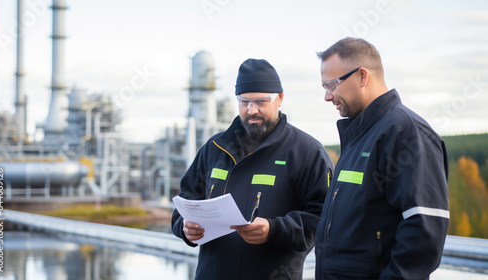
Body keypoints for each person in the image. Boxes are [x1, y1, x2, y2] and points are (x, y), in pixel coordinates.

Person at [172, 58, 334, 280]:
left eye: (260, 101)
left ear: (280, 99)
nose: (252, 110)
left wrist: (275, 229)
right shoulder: (215, 148)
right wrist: (185, 228)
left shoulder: (307, 152)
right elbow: (185, 202)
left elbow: (322, 218)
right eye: (244, 102)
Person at [314, 37, 449, 280]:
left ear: (362, 76)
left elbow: (424, 232)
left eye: (332, 85)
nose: (327, 97)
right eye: (325, 87)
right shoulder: (360, 135)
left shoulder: (406, 133)